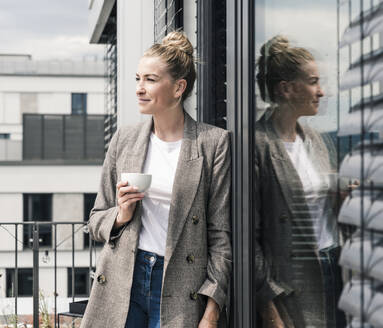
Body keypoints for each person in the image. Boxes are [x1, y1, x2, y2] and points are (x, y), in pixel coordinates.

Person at [81, 31, 232, 328]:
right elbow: (96, 221)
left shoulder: (213, 143)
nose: (139, 88)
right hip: (124, 280)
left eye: (150, 80)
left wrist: (211, 312)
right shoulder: (124, 139)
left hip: (180, 287)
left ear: (178, 87)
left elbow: (221, 236)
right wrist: (121, 215)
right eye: (138, 78)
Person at [254, 35, 346, 328]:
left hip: (332, 265)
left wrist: (340, 198)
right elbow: (247, 238)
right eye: (314, 81)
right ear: (287, 89)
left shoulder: (316, 140)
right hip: (291, 282)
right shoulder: (257, 144)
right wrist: (269, 307)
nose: (322, 91)